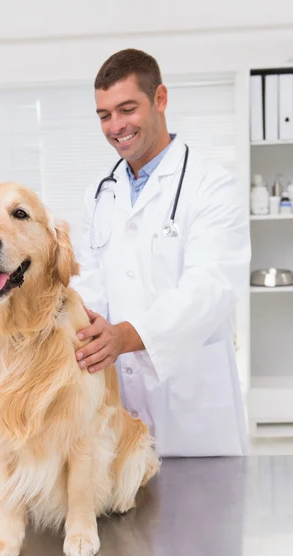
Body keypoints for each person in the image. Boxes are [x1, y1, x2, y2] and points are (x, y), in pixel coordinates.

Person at [72, 49, 251, 457]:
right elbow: (90, 283)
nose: (116, 126)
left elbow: (210, 289)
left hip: (193, 410)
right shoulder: (99, 194)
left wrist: (124, 337)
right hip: (117, 408)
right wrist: (80, 331)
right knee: (127, 514)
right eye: (104, 115)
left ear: (161, 99)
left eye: (127, 109)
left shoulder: (212, 186)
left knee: (200, 517)